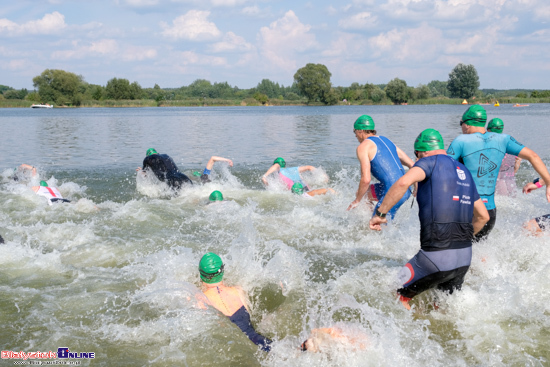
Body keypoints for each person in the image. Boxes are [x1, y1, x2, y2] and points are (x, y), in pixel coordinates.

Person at [369, 129, 489, 310]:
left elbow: (402, 183)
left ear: (420, 152)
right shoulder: (463, 170)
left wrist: (381, 213)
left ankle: (409, 337)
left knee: (395, 293)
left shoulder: (428, 163)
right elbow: (483, 216)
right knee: (440, 310)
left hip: (436, 257)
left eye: (416, 156)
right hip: (464, 259)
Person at [447, 105, 550, 240]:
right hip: (490, 213)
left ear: (467, 124)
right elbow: (534, 156)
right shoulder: (504, 139)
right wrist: (547, 183)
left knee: (454, 249)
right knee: (480, 250)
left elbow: (443, 168)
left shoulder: (460, 141)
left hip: (468, 210)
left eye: (461, 124)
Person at [198, 252, 272, 352]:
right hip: (261, 341)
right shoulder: (238, 290)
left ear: (201, 274)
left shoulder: (200, 300)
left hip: (238, 349)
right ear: (222, 271)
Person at [347, 115, 415, 219]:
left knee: (378, 226)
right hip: (406, 189)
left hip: (392, 193)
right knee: (363, 194)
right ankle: (371, 218)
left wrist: (356, 201)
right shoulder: (386, 141)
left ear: (361, 131)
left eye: (354, 131)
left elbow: (366, 180)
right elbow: (412, 164)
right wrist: (416, 187)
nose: (355, 135)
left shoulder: (363, 147)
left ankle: (376, 223)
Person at [487, 118, 522, 196]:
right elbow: (516, 165)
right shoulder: (510, 144)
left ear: (488, 130)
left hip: (499, 184)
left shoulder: (489, 146)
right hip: (512, 183)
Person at [300, 326, 369, 352]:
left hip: (340, 340)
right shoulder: (314, 333)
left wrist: (335, 336)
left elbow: (330, 331)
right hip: (339, 342)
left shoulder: (315, 333)